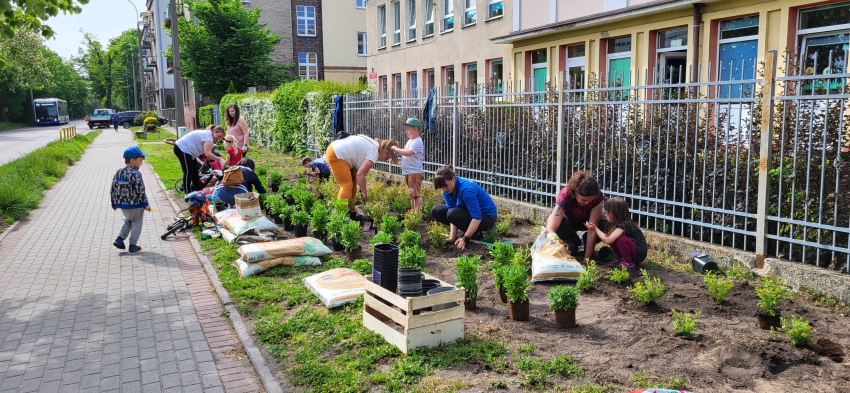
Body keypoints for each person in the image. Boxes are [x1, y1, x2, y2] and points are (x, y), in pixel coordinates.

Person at [325, 134, 399, 216]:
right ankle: (339, 216)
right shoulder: (373, 153)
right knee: (346, 185)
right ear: (385, 151)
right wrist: (364, 193)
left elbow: (357, 171)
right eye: (387, 158)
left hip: (337, 150)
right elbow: (360, 174)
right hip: (337, 154)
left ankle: (352, 211)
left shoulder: (372, 145)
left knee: (353, 182)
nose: (386, 160)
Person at [431, 165, 498, 251]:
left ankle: (475, 235)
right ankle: (468, 231)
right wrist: (452, 237)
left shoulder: (466, 190)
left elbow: (477, 217)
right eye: (441, 187)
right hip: (468, 212)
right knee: (436, 211)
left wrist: (465, 239)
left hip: (487, 217)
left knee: (452, 213)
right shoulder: (447, 191)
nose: (444, 189)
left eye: (446, 186)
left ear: (453, 179)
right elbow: (451, 214)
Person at [545, 171, 604, 262]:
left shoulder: (598, 197)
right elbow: (551, 228)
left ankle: (587, 245)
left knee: (606, 224)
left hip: (588, 223)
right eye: (584, 200)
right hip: (570, 223)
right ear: (576, 191)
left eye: (590, 201)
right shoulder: (565, 195)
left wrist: (587, 259)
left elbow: (592, 229)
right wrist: (553, 248)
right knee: (554, 221)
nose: (587, 203)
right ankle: (573, 243)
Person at [585, 197, 647, 269]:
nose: (605, 215)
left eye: (607, 213)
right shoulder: (619, 223)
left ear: (614, 214)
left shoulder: (624, 224)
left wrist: (595, 229)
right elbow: (607, 237)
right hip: (634, 251)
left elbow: (608, 240)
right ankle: (620, 259)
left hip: (639, 253)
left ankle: (628, 262)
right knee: (612, 236)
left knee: (619, 239)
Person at [111, 147, 151, 253]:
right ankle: (133, 244)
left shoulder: (118, 172)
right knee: (137, 222)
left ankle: (120, 238)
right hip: (136, 204)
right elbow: (140, 189)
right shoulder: (136, 173)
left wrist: (113, 202)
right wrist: (145, 203)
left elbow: (113, 187)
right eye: (140, 160)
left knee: (127, 220)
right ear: (133, 160)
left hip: (122, 204)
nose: (141, 163)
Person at [174, 126, 227, 192]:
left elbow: (203, 143)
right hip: (183, 148)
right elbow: (207, 153)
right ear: (214, 131)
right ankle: (187, 192)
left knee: (195, 171)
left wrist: (212, 145)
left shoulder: (208, 135)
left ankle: (198, 189)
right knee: (188, 171)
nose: (219, 139)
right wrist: (219, 159)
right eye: (218, 136)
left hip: (190, 152)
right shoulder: (208, 136)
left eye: (221, 138)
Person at [391, 118, 425, 210]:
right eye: (405, 129)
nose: (406, 132)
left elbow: (409, 152)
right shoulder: (411, 140)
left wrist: (396, 150)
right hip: (409, 172)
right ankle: (413, 213)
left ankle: (416, 214)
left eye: (408, 129)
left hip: (414, 173)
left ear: (415, 129)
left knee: (416, 195)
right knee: (412, 194)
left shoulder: (417, 141)